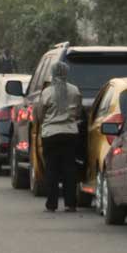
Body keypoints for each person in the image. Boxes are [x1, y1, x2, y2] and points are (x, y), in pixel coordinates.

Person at [35, 61, 84, 213]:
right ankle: (70, 204)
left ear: (53, 73)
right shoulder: (74, 91)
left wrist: (48, 123)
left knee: (51, 170)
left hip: (50, 135)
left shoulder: (47, 92)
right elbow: (78, 111)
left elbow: (40, 114)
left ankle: (52, 204)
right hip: (70, 134)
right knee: (70, 169)